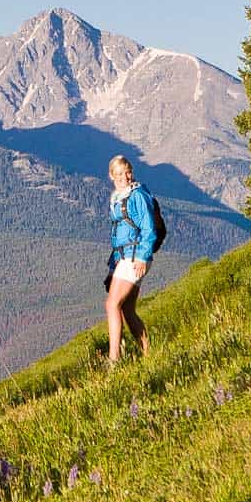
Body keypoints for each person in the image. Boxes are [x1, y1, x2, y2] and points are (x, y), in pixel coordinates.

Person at [103, 155, 153, 365]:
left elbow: (148, 228)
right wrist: (113, 266)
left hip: (134, 257)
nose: (125, 176)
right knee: (127, 309)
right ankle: (148, 354)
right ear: (112, 176)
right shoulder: (118, 196)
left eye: (128, 172)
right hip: (123, 257)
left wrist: (142, 257)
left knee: (112, 305)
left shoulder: (137, 195)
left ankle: (114, 359)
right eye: (120, 173)